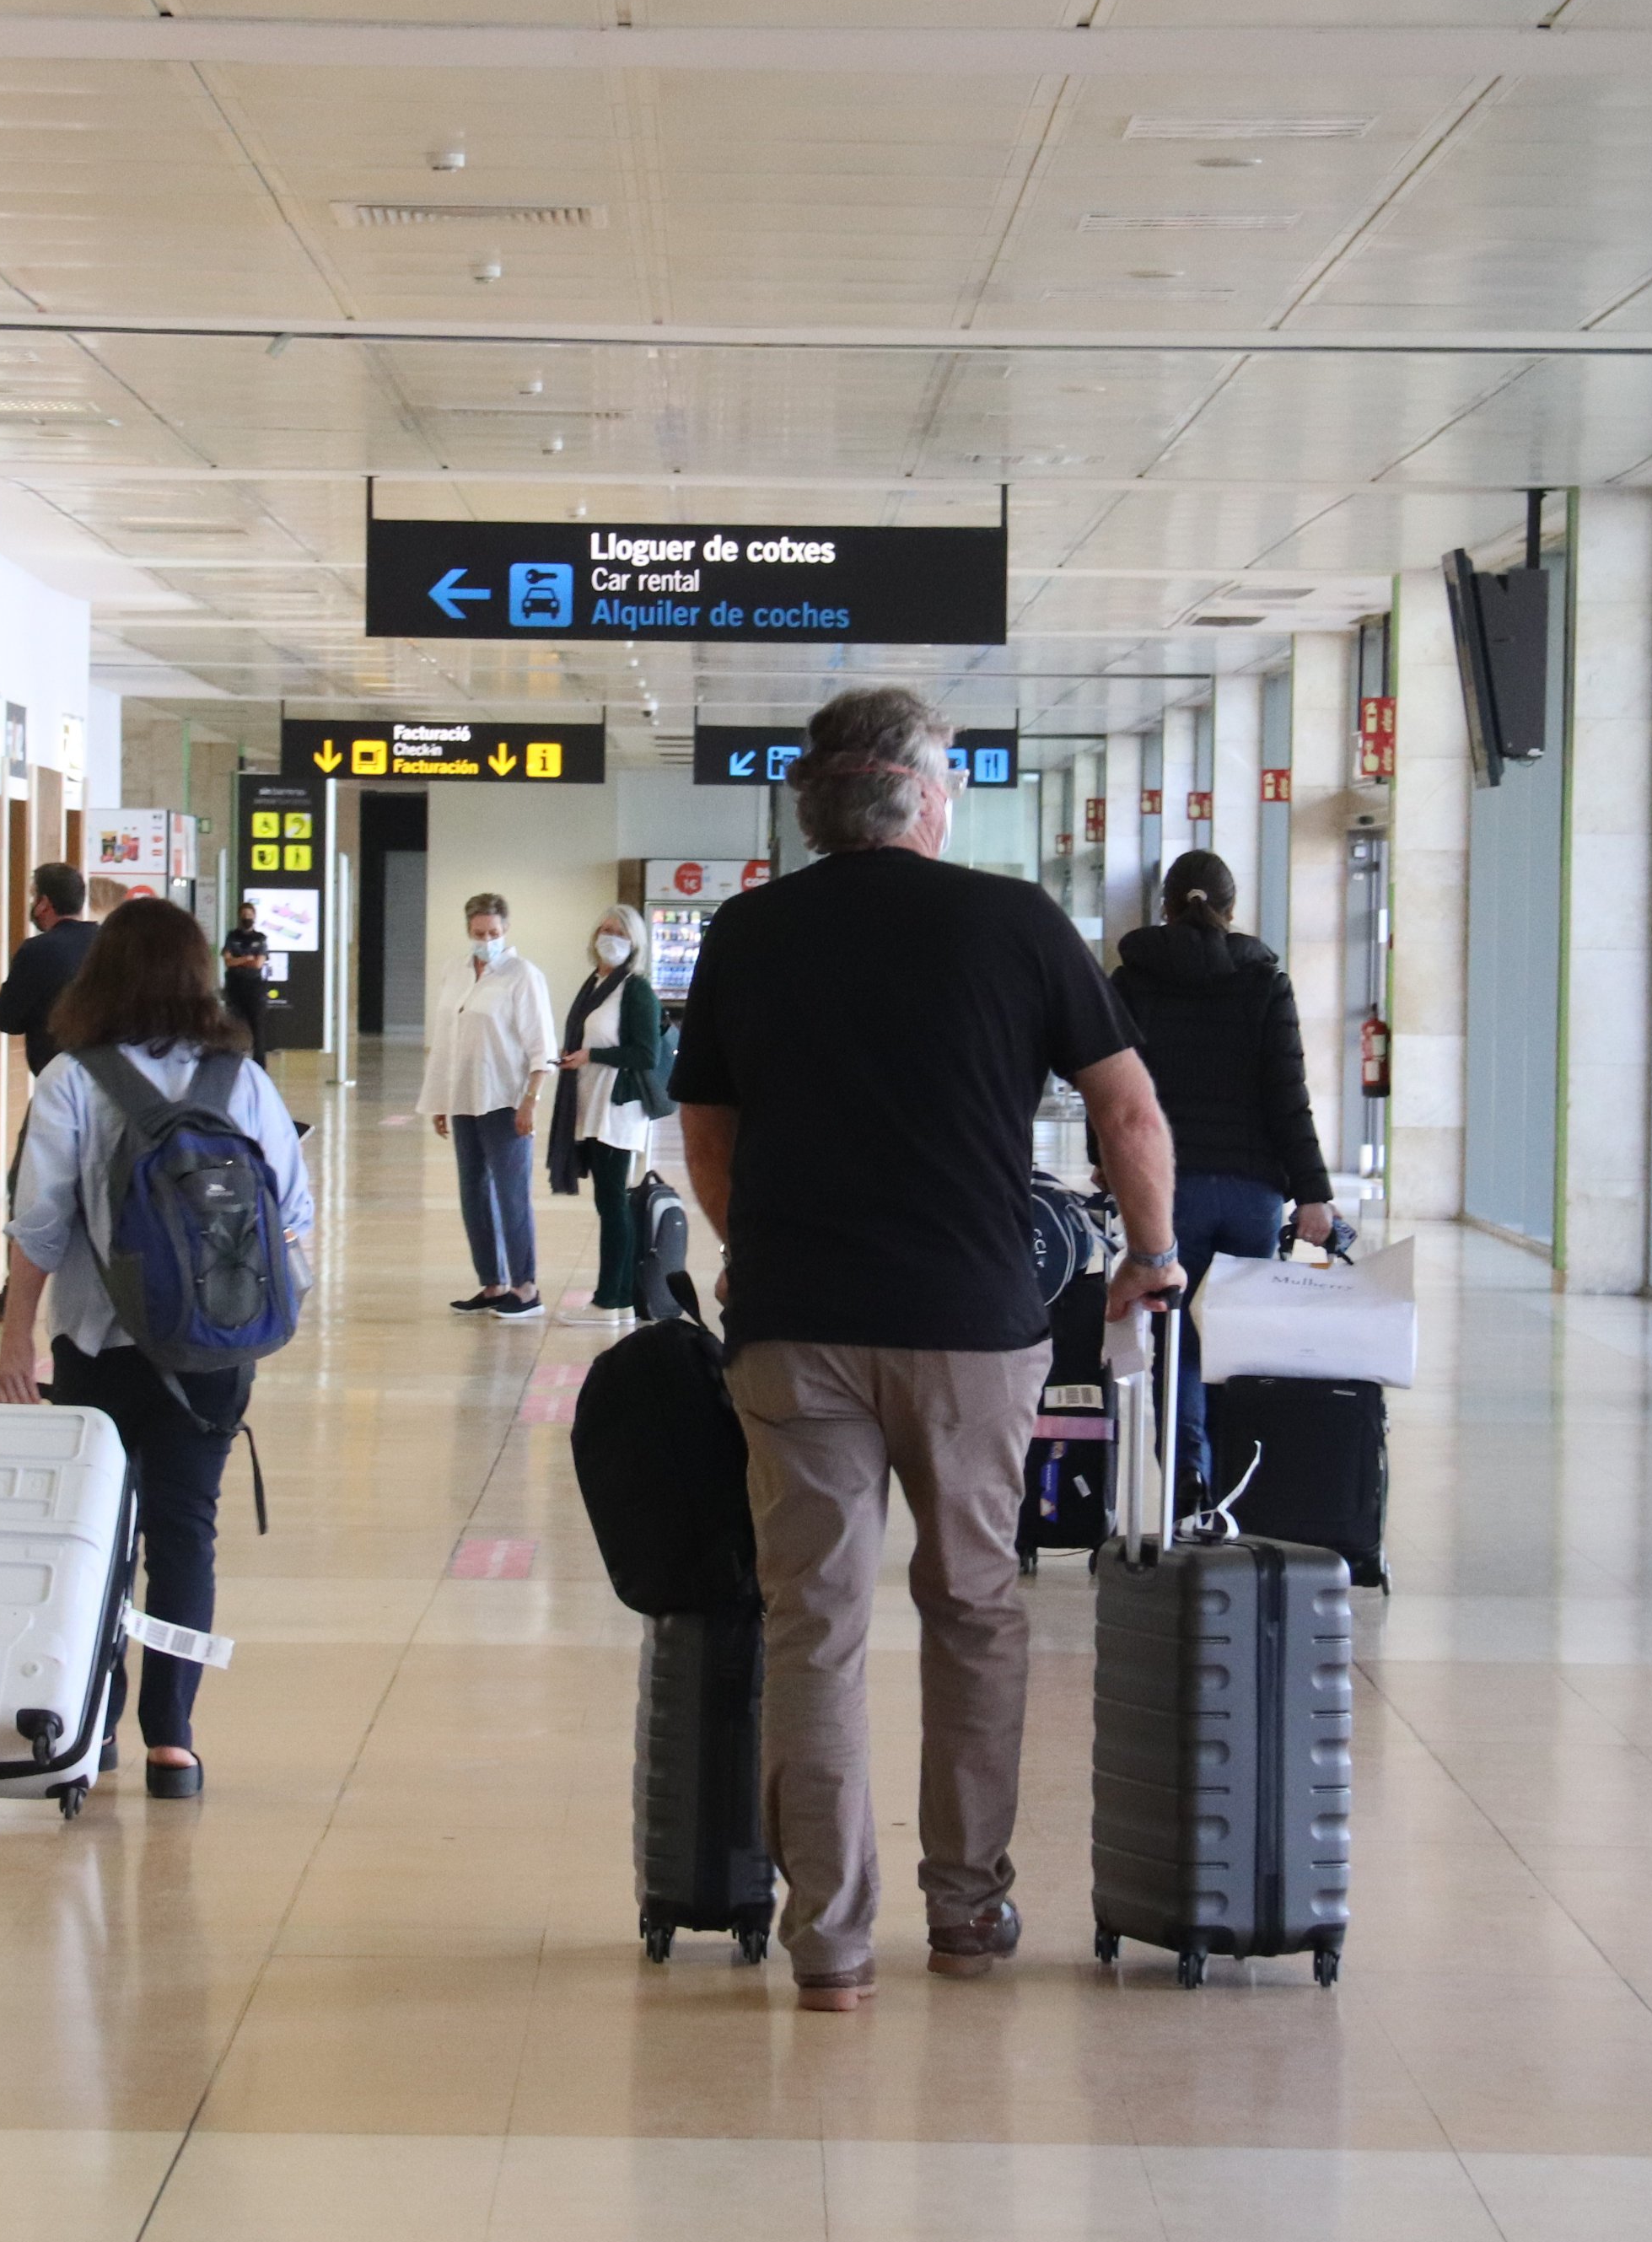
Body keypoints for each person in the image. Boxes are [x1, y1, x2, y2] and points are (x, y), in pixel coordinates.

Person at [671, 686, 1177, 2010]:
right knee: (973, 1608)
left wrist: (752, 1247)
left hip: (795, 1333)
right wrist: (1151, 1254)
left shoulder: (751, 930)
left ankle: (830, 1947)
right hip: (970, 1327)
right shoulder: (1013, 921)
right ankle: (967, 1911)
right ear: (921, 796)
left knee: (815, 1624)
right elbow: (1126, 1109)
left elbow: (707, 1136)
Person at [0, 898, 312, 1799]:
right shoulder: (240, 1080)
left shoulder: (70, 1081)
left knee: (99, 1537)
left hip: (100, 1347)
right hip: (213, 1355)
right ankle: (173, 1737)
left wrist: (18, 1341)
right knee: (186, 1535)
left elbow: (39, 1228)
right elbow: (293, 1214)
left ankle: (96, 1724)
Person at [1111, 847, 1339, 1495]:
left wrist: (1110, 1167)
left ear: (1165, 906)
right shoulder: (1267, 982)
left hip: (1167, 1190)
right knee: (1237, 1340)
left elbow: (1115, 1092)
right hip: (1252, 1194)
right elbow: (1287, 1097)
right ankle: (1241, 1483)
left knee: (1176, 1338)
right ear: (1233, 909)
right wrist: (1314, 1197)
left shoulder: (1133, 982)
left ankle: (1188, 1474)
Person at [0, 863, 97, 1323]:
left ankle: (14, 1295)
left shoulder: (39, 951)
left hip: (57, 1088)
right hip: (116, 1090)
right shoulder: (108, 944)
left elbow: (6, 1018)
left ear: (43, 902)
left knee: (27, 1186)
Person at [416, 891, 554, 1319]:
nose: (486, 939)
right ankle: (492, 1284)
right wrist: (440, 1098)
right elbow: (445, 1038)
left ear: (506, 929)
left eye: (494, 932)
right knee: (472, 1194)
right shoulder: (454, 971)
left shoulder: (522, 975)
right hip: (463, 1098)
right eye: (479, 933)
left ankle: (526, 1286)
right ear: (468, 931)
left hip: (504, 1100)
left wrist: (529, 1101)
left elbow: (542, 1047)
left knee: (512, 1195)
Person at [548, 902, 664, 1320]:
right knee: (607, 1202)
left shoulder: (634, 989)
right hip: (590, 1103)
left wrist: (592, 1054)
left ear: (634, 944)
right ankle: (617, 1294)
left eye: (620, 932)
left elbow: (645, 1054)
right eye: (605, 929)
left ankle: (612, 1299)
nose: (609, 938)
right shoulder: (594, 985)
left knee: (613, 1202)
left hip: (617, 1109)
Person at [220, 903, 272, 1057]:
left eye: (249, 915)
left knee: (257, 1029)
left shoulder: (260, 939)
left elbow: (257, 964)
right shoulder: (232, 937)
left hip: (254, 989)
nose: (247, 918)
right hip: (235, 987)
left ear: (254, 917)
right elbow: (228, 962)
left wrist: (238, 960)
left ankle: (259, 1065)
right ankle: (234, 1061)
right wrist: (246, 958)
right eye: (244, 915)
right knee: (235, 1026)